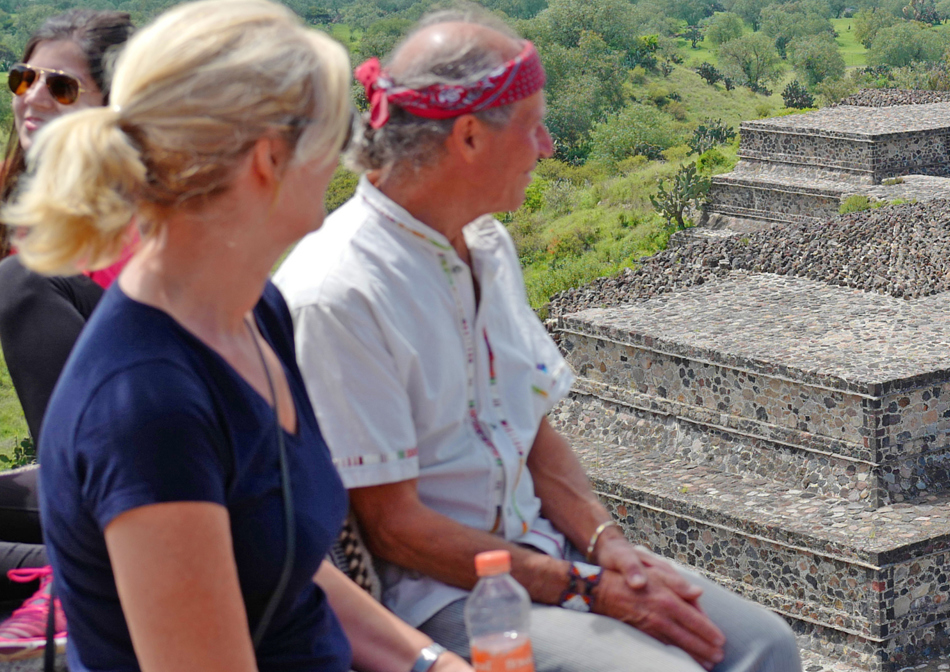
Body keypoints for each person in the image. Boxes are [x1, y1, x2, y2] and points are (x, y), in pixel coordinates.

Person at [273, 10, 801, 672]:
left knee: (764, 646)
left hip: (549, 551)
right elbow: (394, 529)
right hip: (444, 595)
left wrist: (609, 546)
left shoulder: (486, 244)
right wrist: (584, 587)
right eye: (531, 126)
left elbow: (532, 432)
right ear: (469, 137)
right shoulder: (340, 293)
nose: (547, 146)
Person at [9, 2, 474, 670]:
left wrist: (434, 662)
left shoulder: (253, 311)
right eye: (335, 133)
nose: (347, 158)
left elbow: (283, 566)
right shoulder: (146, 406)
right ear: (268, 158)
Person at [0, 8, 133, 655]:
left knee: (22, 280)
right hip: (100, 477)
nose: (33, 98)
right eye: (24, 79)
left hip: (163, 475)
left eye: (61, 86)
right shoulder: (27, 208)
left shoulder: (148, 210)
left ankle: (85, 574)